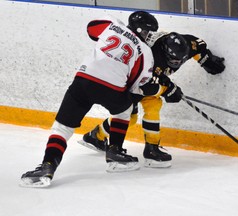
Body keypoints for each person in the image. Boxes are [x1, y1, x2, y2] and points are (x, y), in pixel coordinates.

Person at [20, 11, 180, 187]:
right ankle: (115, 153)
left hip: (83, 80)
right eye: (148, 32)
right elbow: (135, 87)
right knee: (125, 111)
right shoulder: (146, 53)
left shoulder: (112, 24)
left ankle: (47, 166)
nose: (149, 36)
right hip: (112, 87)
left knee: (62, 127)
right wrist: (162, 89)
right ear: (142, 30)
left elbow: (91, 29)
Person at [78, 30, 225, 168]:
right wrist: (167, 90)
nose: (177, 64)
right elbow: (144, 87)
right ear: (165, 53)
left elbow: (199, 48)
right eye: (174, 62)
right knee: (130, 117)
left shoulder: (187, 44)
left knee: (154, 105)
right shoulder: (150, 56)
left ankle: (151, 149)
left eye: (181, 60)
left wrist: (208, 62)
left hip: (147, 79)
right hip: (131, 82)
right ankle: (95, 136)